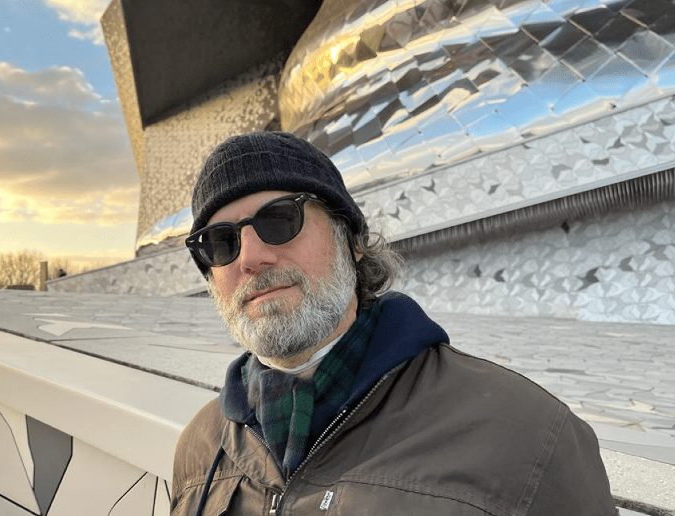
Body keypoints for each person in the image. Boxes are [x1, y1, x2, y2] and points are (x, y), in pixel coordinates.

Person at [171, 132, 616, 515]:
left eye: (280, 219)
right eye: (220, 242)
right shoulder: (201, 447)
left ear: (351, 240)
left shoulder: (526, 434)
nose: (250, 258)